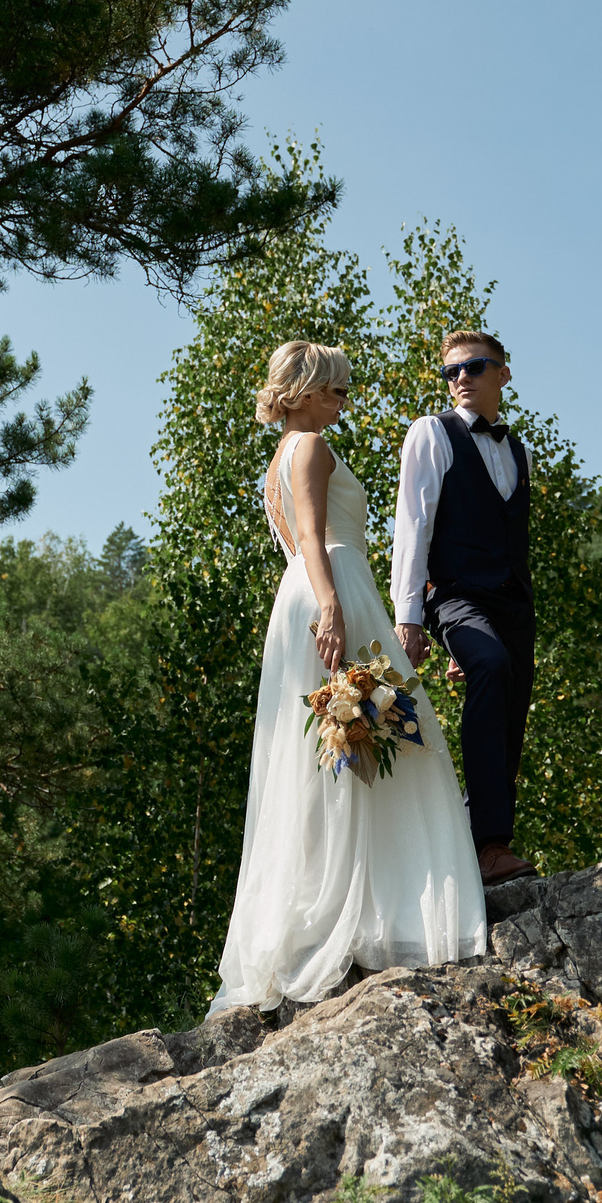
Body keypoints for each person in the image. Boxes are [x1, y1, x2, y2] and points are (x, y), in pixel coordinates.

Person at [206, 341, 488, 1018]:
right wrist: (333, 606)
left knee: (344, 748)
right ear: (304, 390)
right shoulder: (308, 446)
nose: (342, 400)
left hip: (304, 595)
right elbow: (310, 535)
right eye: (335, 388)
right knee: (391, 743)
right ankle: (380, 911)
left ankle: (346, 905)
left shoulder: (281, 455)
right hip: (332, 589)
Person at [390, 330, 538, 886]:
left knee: (510, 710)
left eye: (474, 367)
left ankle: (496, 845)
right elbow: (413, 526)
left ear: (503, 373)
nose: (461, 379)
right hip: (453, 593)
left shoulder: (520, 452)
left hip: (513, 605)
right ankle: (485, 843)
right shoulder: (432, 433)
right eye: (451, 371)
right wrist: (409, 618)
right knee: (491, 665)